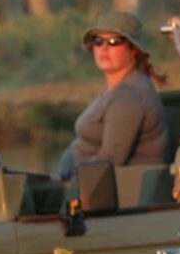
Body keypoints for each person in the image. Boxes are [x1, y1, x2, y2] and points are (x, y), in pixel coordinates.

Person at [55, 11, 170, 178]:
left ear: (133, 50)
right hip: (83, 183)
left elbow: (109, 162)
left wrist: (69, 178)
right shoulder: (116, 89)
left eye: (114, 41)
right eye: (98, 41)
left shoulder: (128, 96)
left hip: (114, 192)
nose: (104, 48)